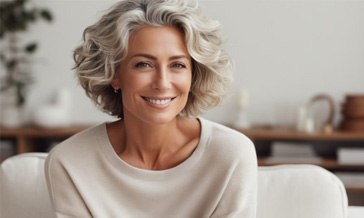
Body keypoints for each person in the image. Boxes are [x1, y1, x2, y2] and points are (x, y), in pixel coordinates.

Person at [45, 0, 257, 217]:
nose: (162, 83)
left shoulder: (230, 154)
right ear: (114, 75)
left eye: (178, 65)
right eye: (144, 64)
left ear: (193, 75)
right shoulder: (71, 161)